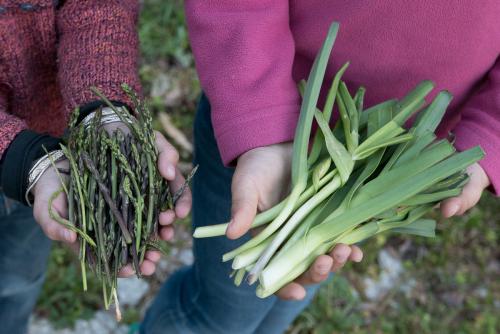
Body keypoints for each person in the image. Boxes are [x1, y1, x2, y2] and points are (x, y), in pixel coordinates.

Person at [141, 1, 498, 333]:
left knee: (283, 303)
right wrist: (258, 123)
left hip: (381, 174)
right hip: (261, 131)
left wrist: (490, 131)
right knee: (221, 315)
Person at [0, 1, 191, 333]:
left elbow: (98, 8)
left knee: (15, 275)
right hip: (28, 161)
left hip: (39, 168)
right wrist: (16, 154)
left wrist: (105, 109)